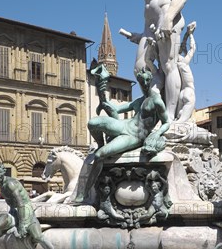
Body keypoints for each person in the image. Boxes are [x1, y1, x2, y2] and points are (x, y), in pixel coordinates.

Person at [71, 68, 170, 204]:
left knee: (100, 155)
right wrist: (103, 98)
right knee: (93, 123)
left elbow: (167, 123)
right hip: (124, 125)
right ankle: (101, 143)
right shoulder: (138, 101)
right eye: (141, 81)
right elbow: (116, 109)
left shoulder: (157, 101)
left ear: (150, 80)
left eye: (147, 81)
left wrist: (157, 134)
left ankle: (84, 193)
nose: (144, 84)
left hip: (135, 136)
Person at [0, 163, 63, 249]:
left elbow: (20, 202)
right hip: (13, 211)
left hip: (25, 210)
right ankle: (2, 232)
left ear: (2, 172)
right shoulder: (1, 184)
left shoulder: (10, 184)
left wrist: (23, 223)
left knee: (38, 236)